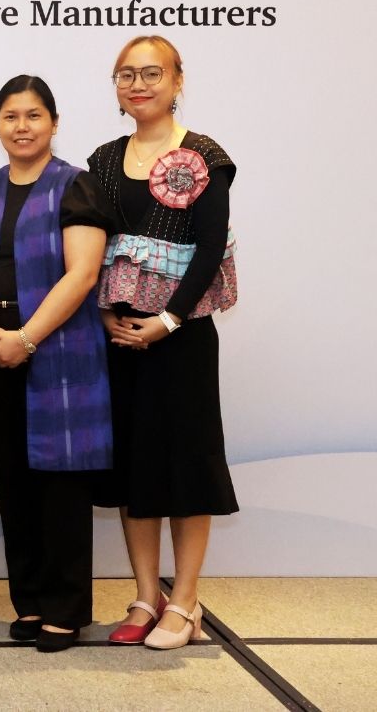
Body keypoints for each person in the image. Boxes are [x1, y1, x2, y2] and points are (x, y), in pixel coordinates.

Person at [0, 75, 114, 652]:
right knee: (14, 483)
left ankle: (65, 608)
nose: (22, 126)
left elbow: (83, 274)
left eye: (34, 115)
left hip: (58, 355)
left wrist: (27, 338)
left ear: (54, 122)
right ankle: (31, 603)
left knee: (60, 484)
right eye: (11, 116)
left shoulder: (77, 186)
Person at [90, 35, 239, 650]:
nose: (138, 84)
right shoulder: (101, 159)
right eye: (126, 75)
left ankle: (186, 601)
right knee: (135, 465)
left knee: (186, 462)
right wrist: (103, 315)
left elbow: (209, 248)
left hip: (181, 336)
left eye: (152, 73)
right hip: (121, 336)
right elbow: (90, 246)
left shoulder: (205, 155)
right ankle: (145, 595)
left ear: (178, 81)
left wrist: (169, 320)